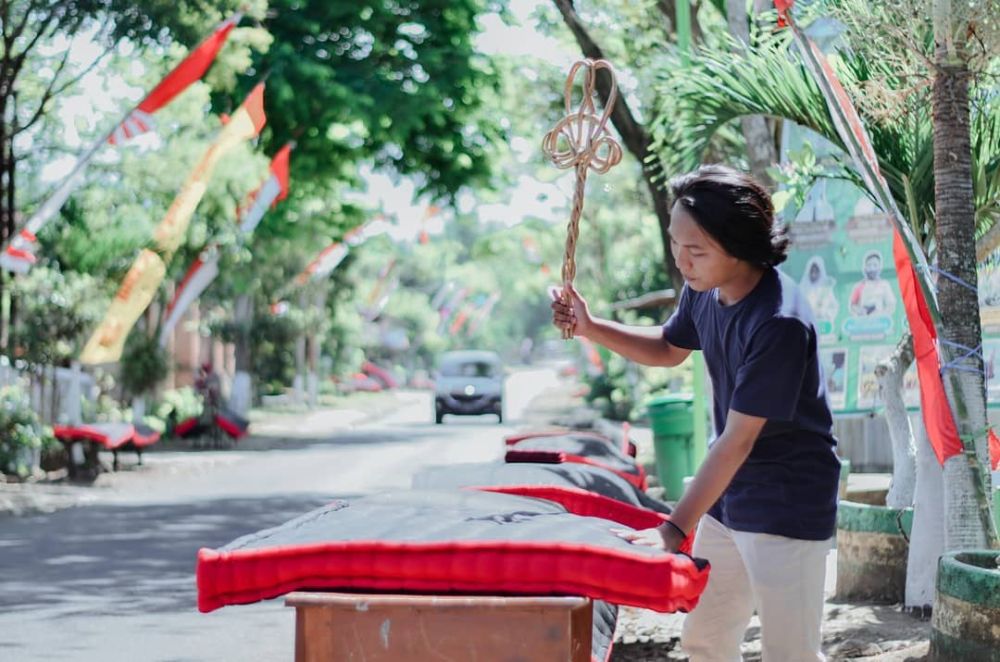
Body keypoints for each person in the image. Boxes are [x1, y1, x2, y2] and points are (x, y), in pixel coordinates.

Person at [551, 164, 840, 662]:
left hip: (786, 502)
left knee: (789, 653)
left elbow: (736, 441)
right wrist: (590, 326)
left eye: (697, 250)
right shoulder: (704, 288)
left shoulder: (780, 323)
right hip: (728, 502)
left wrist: (673, 528)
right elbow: (668, 346)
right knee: (705, 639)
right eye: (676, 243)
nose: (682, 260)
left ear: (740, 245)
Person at [849, 251, 896, 317]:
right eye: (869, 265)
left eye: (875, 265)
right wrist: (860, 311)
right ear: (865, 268)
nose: (872, 268)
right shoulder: (859, 286)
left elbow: (891, 304)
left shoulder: (885, 285)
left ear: (879, 268)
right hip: (863, 321)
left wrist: (881, 313)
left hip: (880, 321)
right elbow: (853, 305)